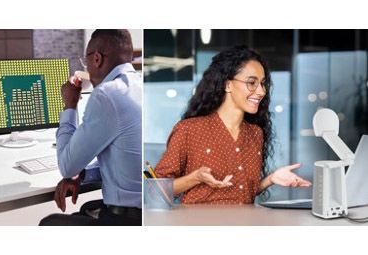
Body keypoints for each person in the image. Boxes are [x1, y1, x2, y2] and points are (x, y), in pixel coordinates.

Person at [154, 46, 311, 204]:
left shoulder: (255, 133)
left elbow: (242, 192)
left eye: (263, 84)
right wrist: (195, 178)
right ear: (227, 85)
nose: (261, 91)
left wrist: (271, 179)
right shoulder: (189, 129)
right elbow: (155, 190)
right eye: (252, 83)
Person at [39, 30, 142, 225]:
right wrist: (84, 173)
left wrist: (70, 104)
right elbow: (122, 160)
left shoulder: (107, 94)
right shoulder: (139, 86)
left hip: (127, 221)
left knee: (50, 223)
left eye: (85, 61)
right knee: (87, 209)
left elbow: (67, 166)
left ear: (96, 58)